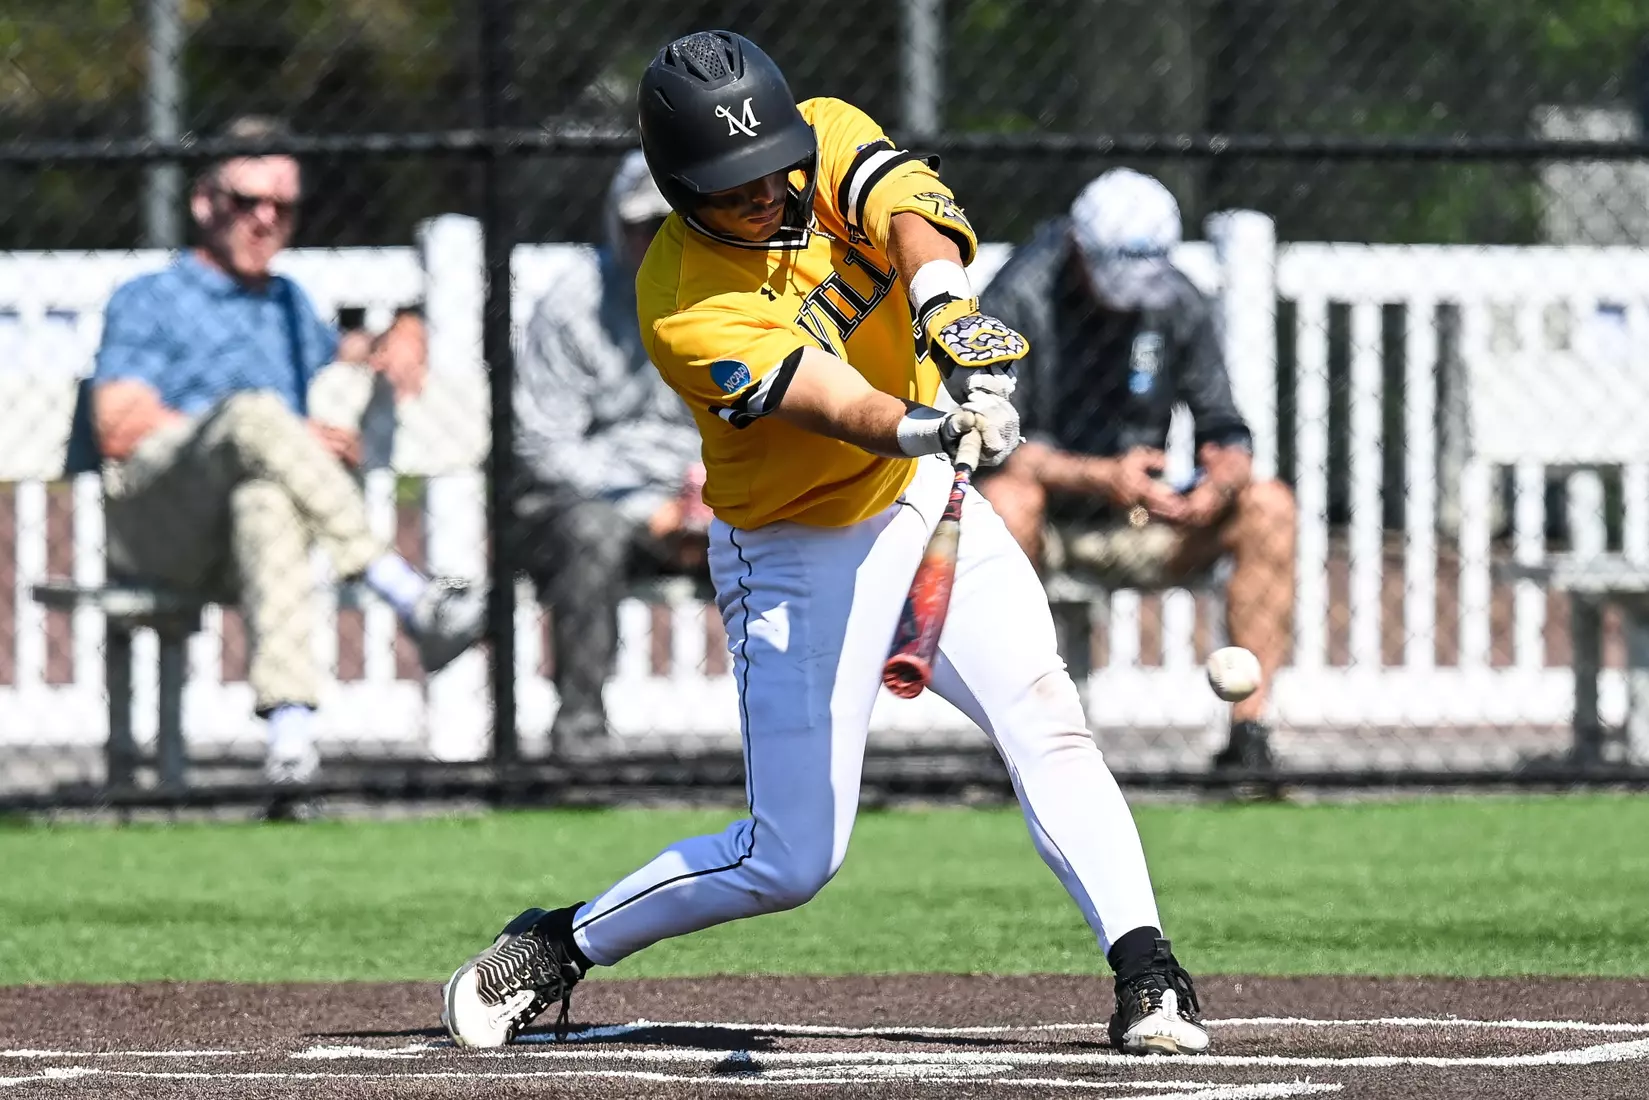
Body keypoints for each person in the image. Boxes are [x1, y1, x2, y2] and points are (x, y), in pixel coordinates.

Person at [441, 31, 1208, 1057]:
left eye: (772, 167)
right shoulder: (681, 296)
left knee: (1046, 718)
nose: (764, 194)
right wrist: (930, 422)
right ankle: (556, 942)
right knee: (792, 858)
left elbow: (908, 217)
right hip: (795, 552)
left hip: (919, 500)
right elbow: (831, 399)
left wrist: (945, 315)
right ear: (679, 189)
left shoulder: (830, 136)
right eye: (733, 185)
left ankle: (1147, 971)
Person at [91, 115, 487, 789]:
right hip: (157, 525)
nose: (266, 219)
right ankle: (403, 590)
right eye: (249, 202)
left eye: (283, 206)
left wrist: (405, 330)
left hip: (241, 534)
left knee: (266, 501)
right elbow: (117, 425)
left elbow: (349, 352)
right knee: (254, 413)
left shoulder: (288, 303)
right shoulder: (150, 298)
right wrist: (262, 429)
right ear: (205, 203)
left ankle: (290, 742)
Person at [975, 168, 1297, 773]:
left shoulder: (1176, 297)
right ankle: (1019, 737)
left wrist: (1219, 480)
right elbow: (996, 443)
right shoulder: (1018, 295)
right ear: (1078, 246)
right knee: (1006, 501)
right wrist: (1103, 476)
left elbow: (1225, 428)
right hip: (1050, 526)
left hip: (1149, 516)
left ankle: (1248, 741)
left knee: (1269, 504)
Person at [509, 150, 709, 748]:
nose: (656, 240)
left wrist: (717, 495)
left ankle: (801, 744)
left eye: (675, 225)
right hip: (591, 509)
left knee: (799, 521)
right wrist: (648, 510)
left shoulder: (734, 304)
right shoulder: (573, 306)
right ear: (616, 226)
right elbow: (541, 447)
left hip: (716, 498)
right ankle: (581, 740)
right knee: (590, 532)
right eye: (644, 226)